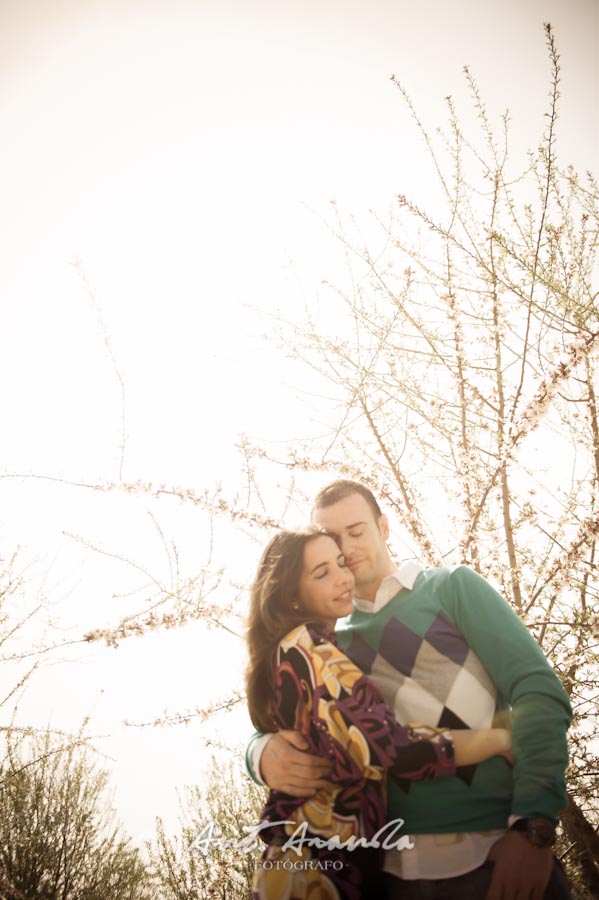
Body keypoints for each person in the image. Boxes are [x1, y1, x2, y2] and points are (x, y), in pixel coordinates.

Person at [246, 481, 573, 900]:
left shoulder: (452, 588)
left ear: (384, 527)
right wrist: (259, 753)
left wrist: (533, 827)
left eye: (357, 531)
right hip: (389, 877)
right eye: (332, 540)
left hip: (496, 854)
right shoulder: (324, 642)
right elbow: (279, 719)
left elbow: (538, 692)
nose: (345, 549)